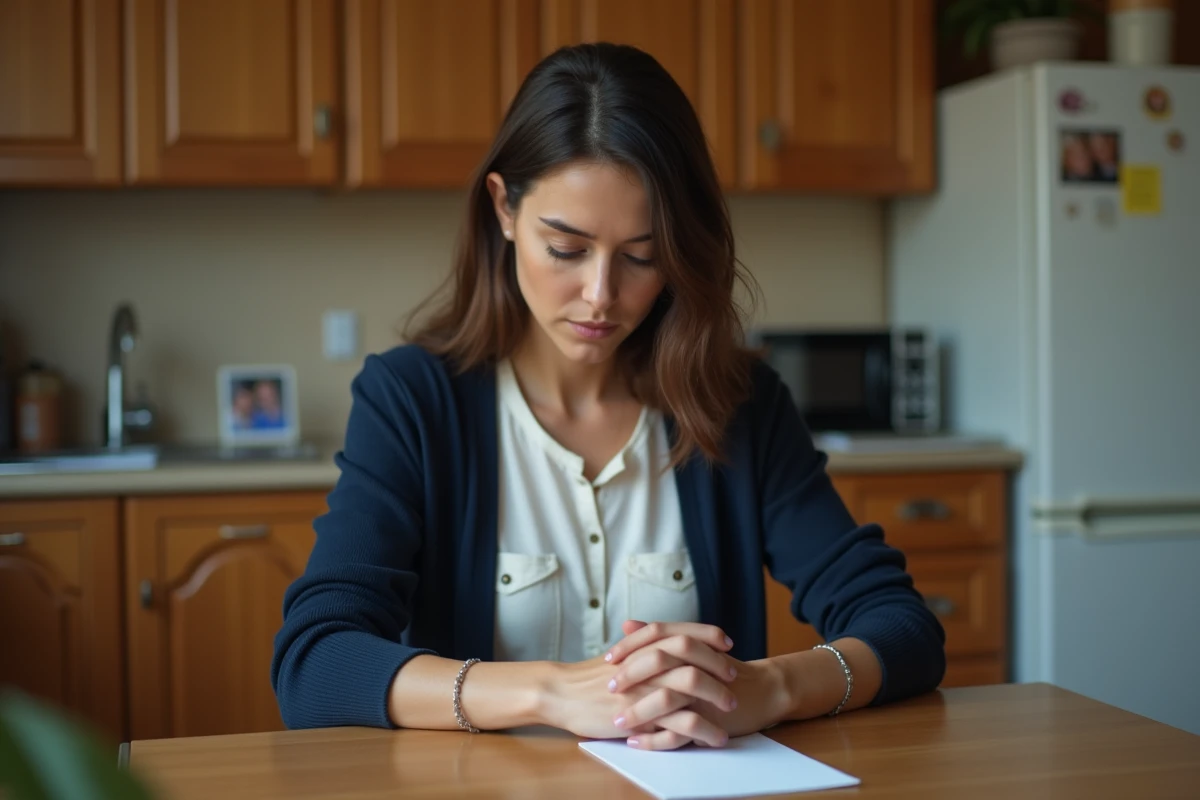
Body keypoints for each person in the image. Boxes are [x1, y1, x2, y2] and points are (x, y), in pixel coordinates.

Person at [271, 43, 945, 751]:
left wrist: (772, 686)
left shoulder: (740, 405)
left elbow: (902, 627)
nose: (601, 294)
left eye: (642, 256)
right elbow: (316, 662)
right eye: (567, 249)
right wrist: (550, 692)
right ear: (504, 208)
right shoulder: (412, 401)